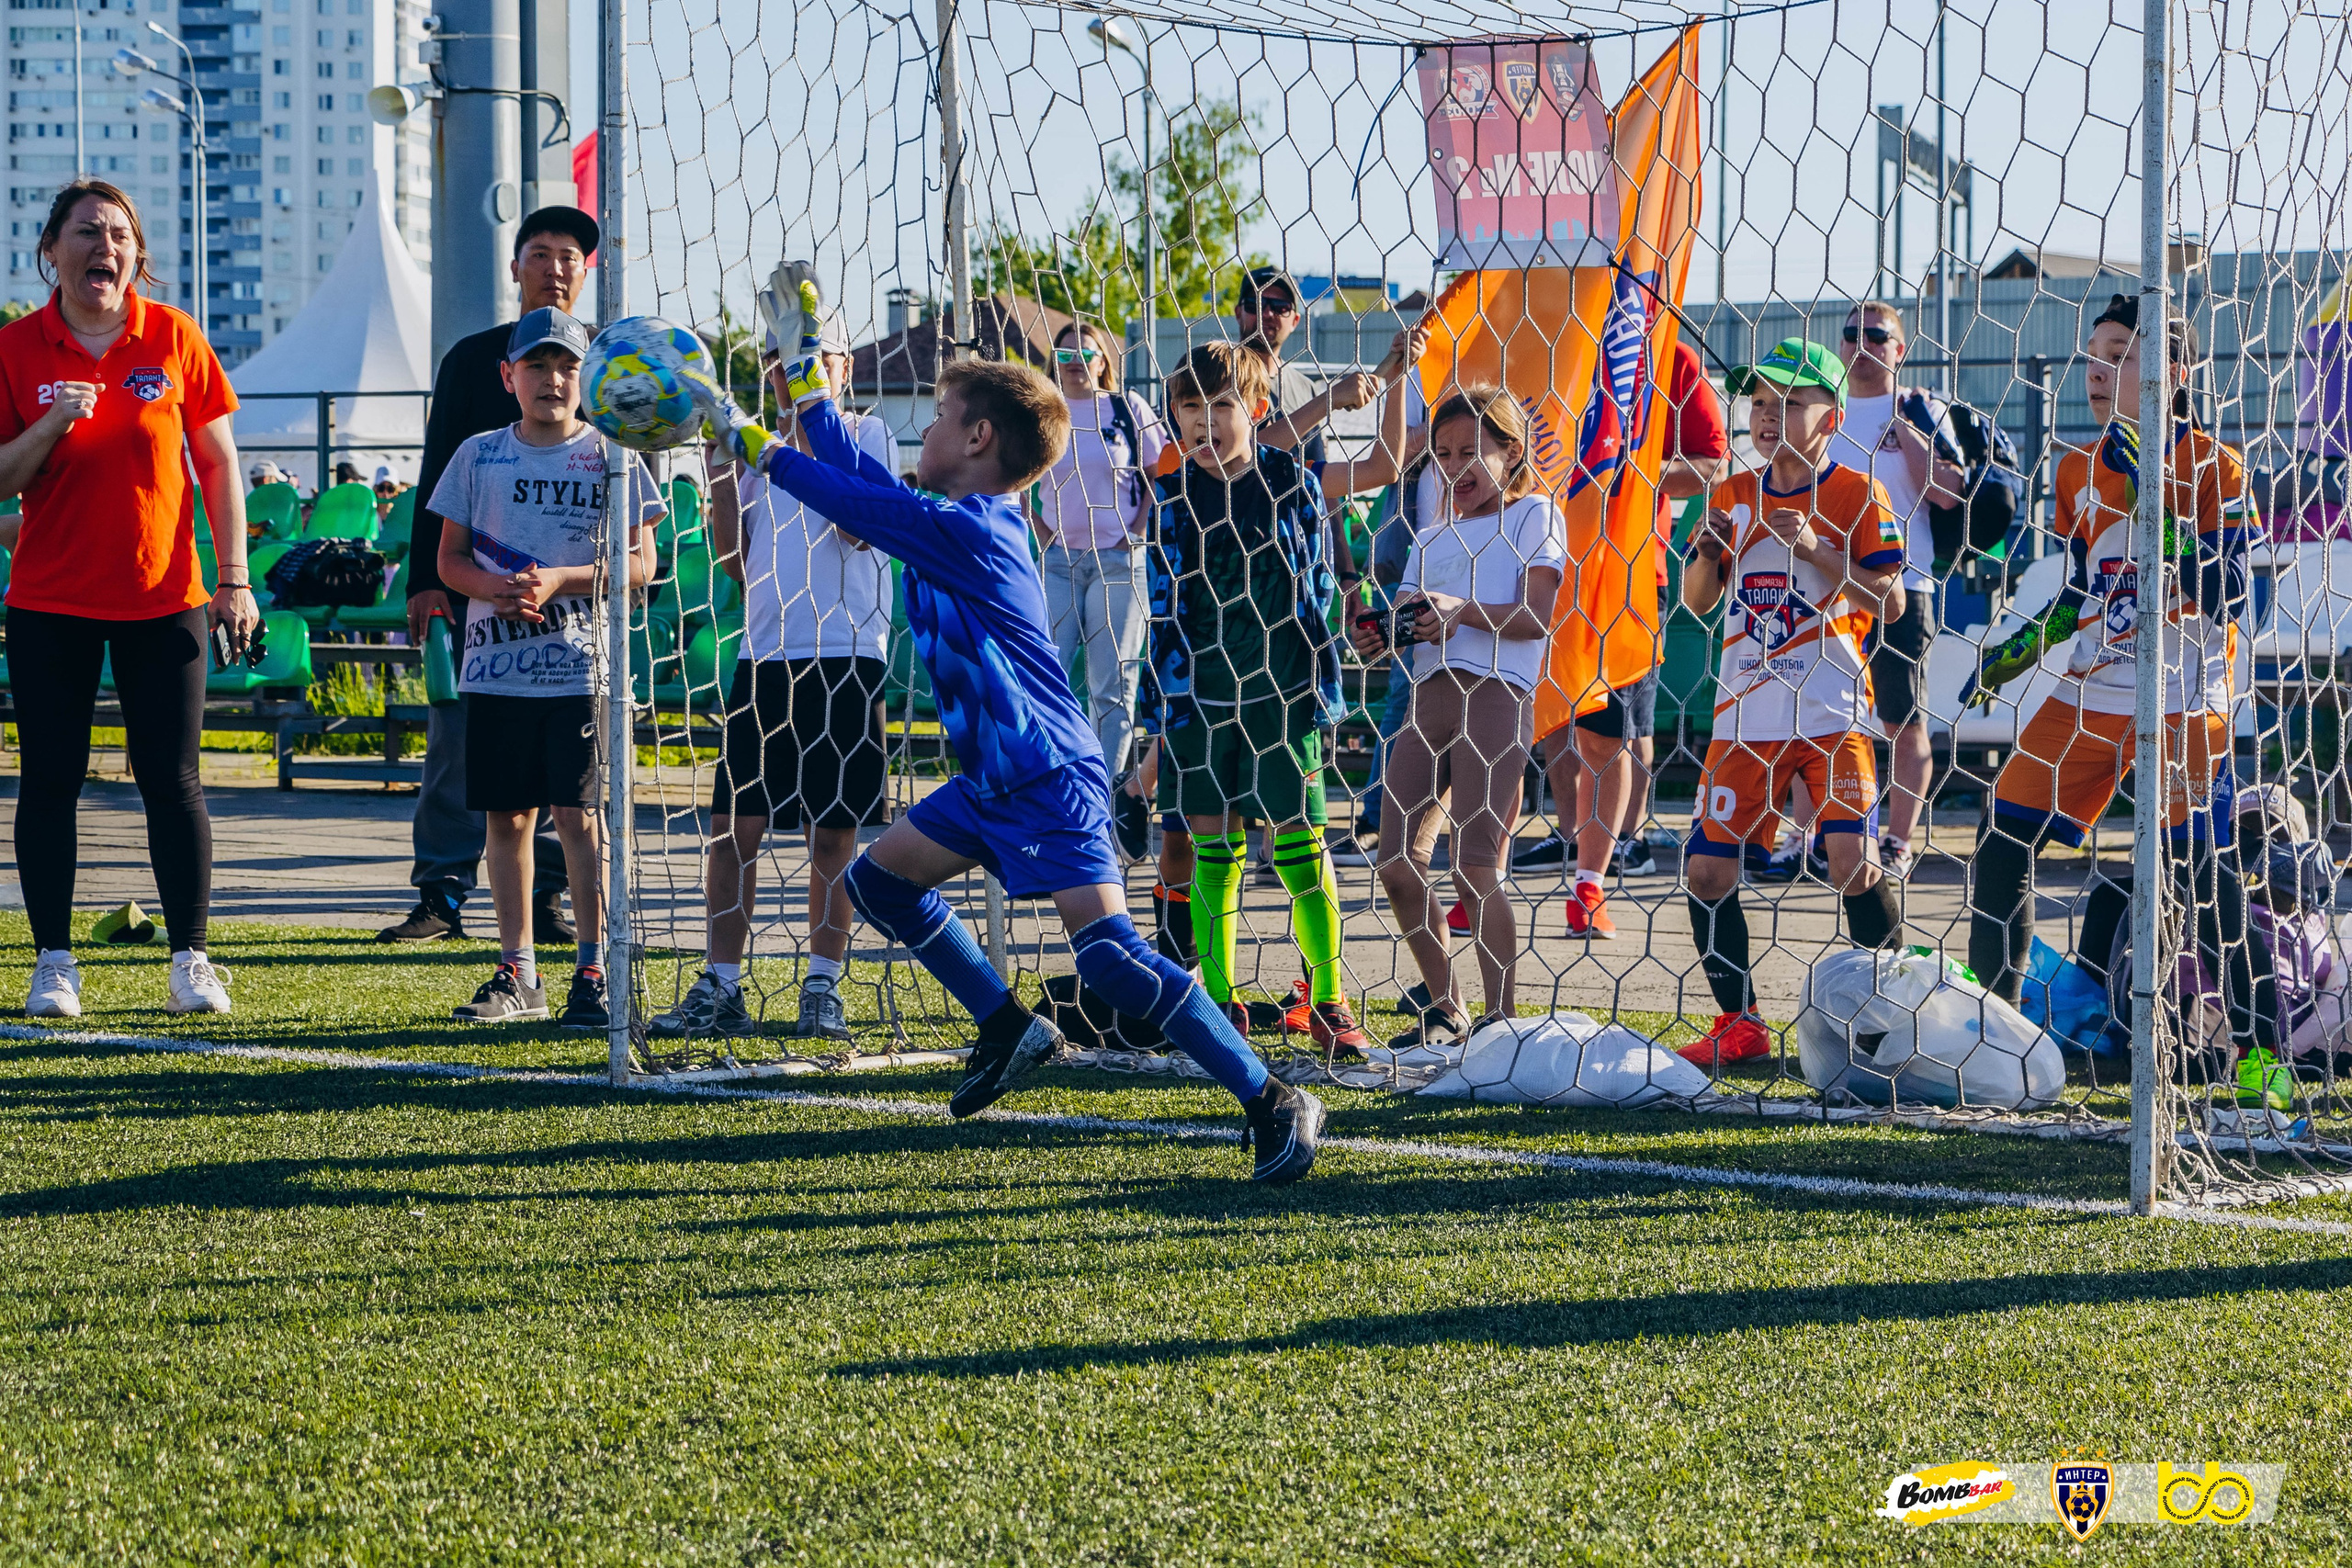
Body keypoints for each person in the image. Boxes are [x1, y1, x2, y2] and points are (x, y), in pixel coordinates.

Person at [696, 294, 1326, 1182]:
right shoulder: (944, 512)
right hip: (989, 783)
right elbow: (839, 462)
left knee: (1110, 960)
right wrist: (803, 374)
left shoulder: (974, 530)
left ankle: (1271, 1098)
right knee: (878, 880)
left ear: (981, 439)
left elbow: (843, 493)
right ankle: (1008, 1025)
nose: (929, 431)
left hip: (1048, 775)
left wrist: (744, 436)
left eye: (944, 418)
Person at [1963, 296, 2277, 1059]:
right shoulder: (2077, 469)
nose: (2097, 370)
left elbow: (2248, 599)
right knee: (2002, 839)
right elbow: (2085, 586)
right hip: (2086, 692)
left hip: (2181, 700)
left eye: (2119, 354)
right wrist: (2024, 644)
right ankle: (1993, 1039)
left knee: (2200, 877)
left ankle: (2264, 1055)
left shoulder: (2214, 466)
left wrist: (2160, 514)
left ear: (2172, 371)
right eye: (2093, 354)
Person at [0, 178, 256, 1018]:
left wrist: (235, 580)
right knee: (49, 781)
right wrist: (50, 426)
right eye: (84, 232)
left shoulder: (174, 337)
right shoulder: (17, 349)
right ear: (51, 251)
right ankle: (53, 962)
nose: (102, 247)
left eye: (117, 235)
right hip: (49, 600)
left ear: (136, 255)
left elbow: (219, 464)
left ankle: (191, 956)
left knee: (173, 782)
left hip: (165, 598)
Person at [651, 303, 896, 1044]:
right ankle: (721, 984)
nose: (793, 375)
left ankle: (823, 985)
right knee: (733, 830)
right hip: (765, 659)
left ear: (842, 369)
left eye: (813, 360)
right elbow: (734, 561)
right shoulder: (756, 448)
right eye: (780, 364)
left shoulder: (866, 433)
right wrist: (725, 466)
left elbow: (858, 525)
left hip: (847, 658)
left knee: (833, 837)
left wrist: (803, 429)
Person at [427, 307, 662, 1029]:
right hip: (497, 672)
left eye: (566, 366)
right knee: (509, 816)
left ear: (587, 378)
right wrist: (494, 588)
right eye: (536, 365)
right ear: (509, 376)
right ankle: (519, 969)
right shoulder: (477, 455)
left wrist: (561, 577)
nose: (552, 379)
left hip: (581, 674)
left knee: (580, 817)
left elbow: (643, 561)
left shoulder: (613, 455)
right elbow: (449, 561)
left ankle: (592, 968)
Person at [1679, 339, 1910, 1066]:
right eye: (1760, 402)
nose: (1770, 415)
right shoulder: (1731, 493)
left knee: (1851, 862)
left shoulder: (1858, 491)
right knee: (1706, 872)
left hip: (1831, 711)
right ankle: (1740, 1021)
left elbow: (1894, 602)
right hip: (1744, 711)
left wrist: (1816, 548)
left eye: (1791, 402)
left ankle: (1894, 1008)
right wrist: (1705, 554)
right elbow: (1697, 602)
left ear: (1831, 415)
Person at [1147, 342, 1372, 1057]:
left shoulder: (1292, 484)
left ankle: (1329, 998)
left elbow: (1321, 586)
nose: (1206, 422)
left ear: (1258, 410)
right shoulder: (1169, 498)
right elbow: (1161, 606)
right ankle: (1219, 1002)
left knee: (1302, 849)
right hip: (1202, 696)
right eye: (1190, 407)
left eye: (1222, 406)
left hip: (1281, 693)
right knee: (1215, 847)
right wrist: (1163, 711)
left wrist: (1323, 672)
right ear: (1174, 416)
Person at [387, 205, 601, 945]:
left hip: (575, 625)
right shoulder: (471, 358)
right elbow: (434, 474)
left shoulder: (603, 362)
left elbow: (632, 525)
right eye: (540, 253)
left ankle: (548, 902)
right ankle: (441, 893)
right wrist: (429, 579)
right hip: (477, 608)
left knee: (567, 788)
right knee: (460, 751)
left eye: (569, 255)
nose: (555, 267)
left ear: (587, 270)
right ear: (515, 268)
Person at [1353, 387, 1564, 1045]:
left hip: (1495, 698)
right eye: (1441, 454)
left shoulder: (1535, 513)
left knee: (1474, 866)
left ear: (1511, 450)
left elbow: (1535, 619)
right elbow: (1418, 626)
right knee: (1394, 862)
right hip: (1427, 700)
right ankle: (1448, 1004)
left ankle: (1503, 1025)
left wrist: (1460, 611)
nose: (1455, 466)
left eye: (1472, 450)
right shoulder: (1432, 535)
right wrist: (1380, 636)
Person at [1517, 334, 1734, 931]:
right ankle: (1554, 852)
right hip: (1540, 561)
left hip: (1630, 572)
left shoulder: (1670, 354)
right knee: (1542, 722)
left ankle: (1594, 878)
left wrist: (1636, 471)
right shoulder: (1550, 328)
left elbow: (1713, 461)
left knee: (1612, 734)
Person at [1826, 301, 1967, 880]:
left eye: (1876, 336)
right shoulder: (1820, 407)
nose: (1862, 344)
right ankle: (1820, 836)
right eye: (1851, 334)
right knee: (1825, 716)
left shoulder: (1921, 408)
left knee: (1903, 720)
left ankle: (1897, 841)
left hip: (1902, 584)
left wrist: (1906, 432)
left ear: (1899, 349)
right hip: (1827, 584)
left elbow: (1949, 492)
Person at [1035, 319, 1168, 781]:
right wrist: (1043, 531)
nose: (1074, 363)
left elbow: (1161, 470)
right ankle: (1053, 784)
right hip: (1057, 564)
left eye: (1084, 354)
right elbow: (1015, 480)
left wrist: (1138, 526)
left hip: (1117, 559)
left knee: (1111, 686)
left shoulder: (1126, 409)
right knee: (1044, 675)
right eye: (1065, 355)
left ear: (1103, 361)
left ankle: (1104, 798)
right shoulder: (1042, 412)